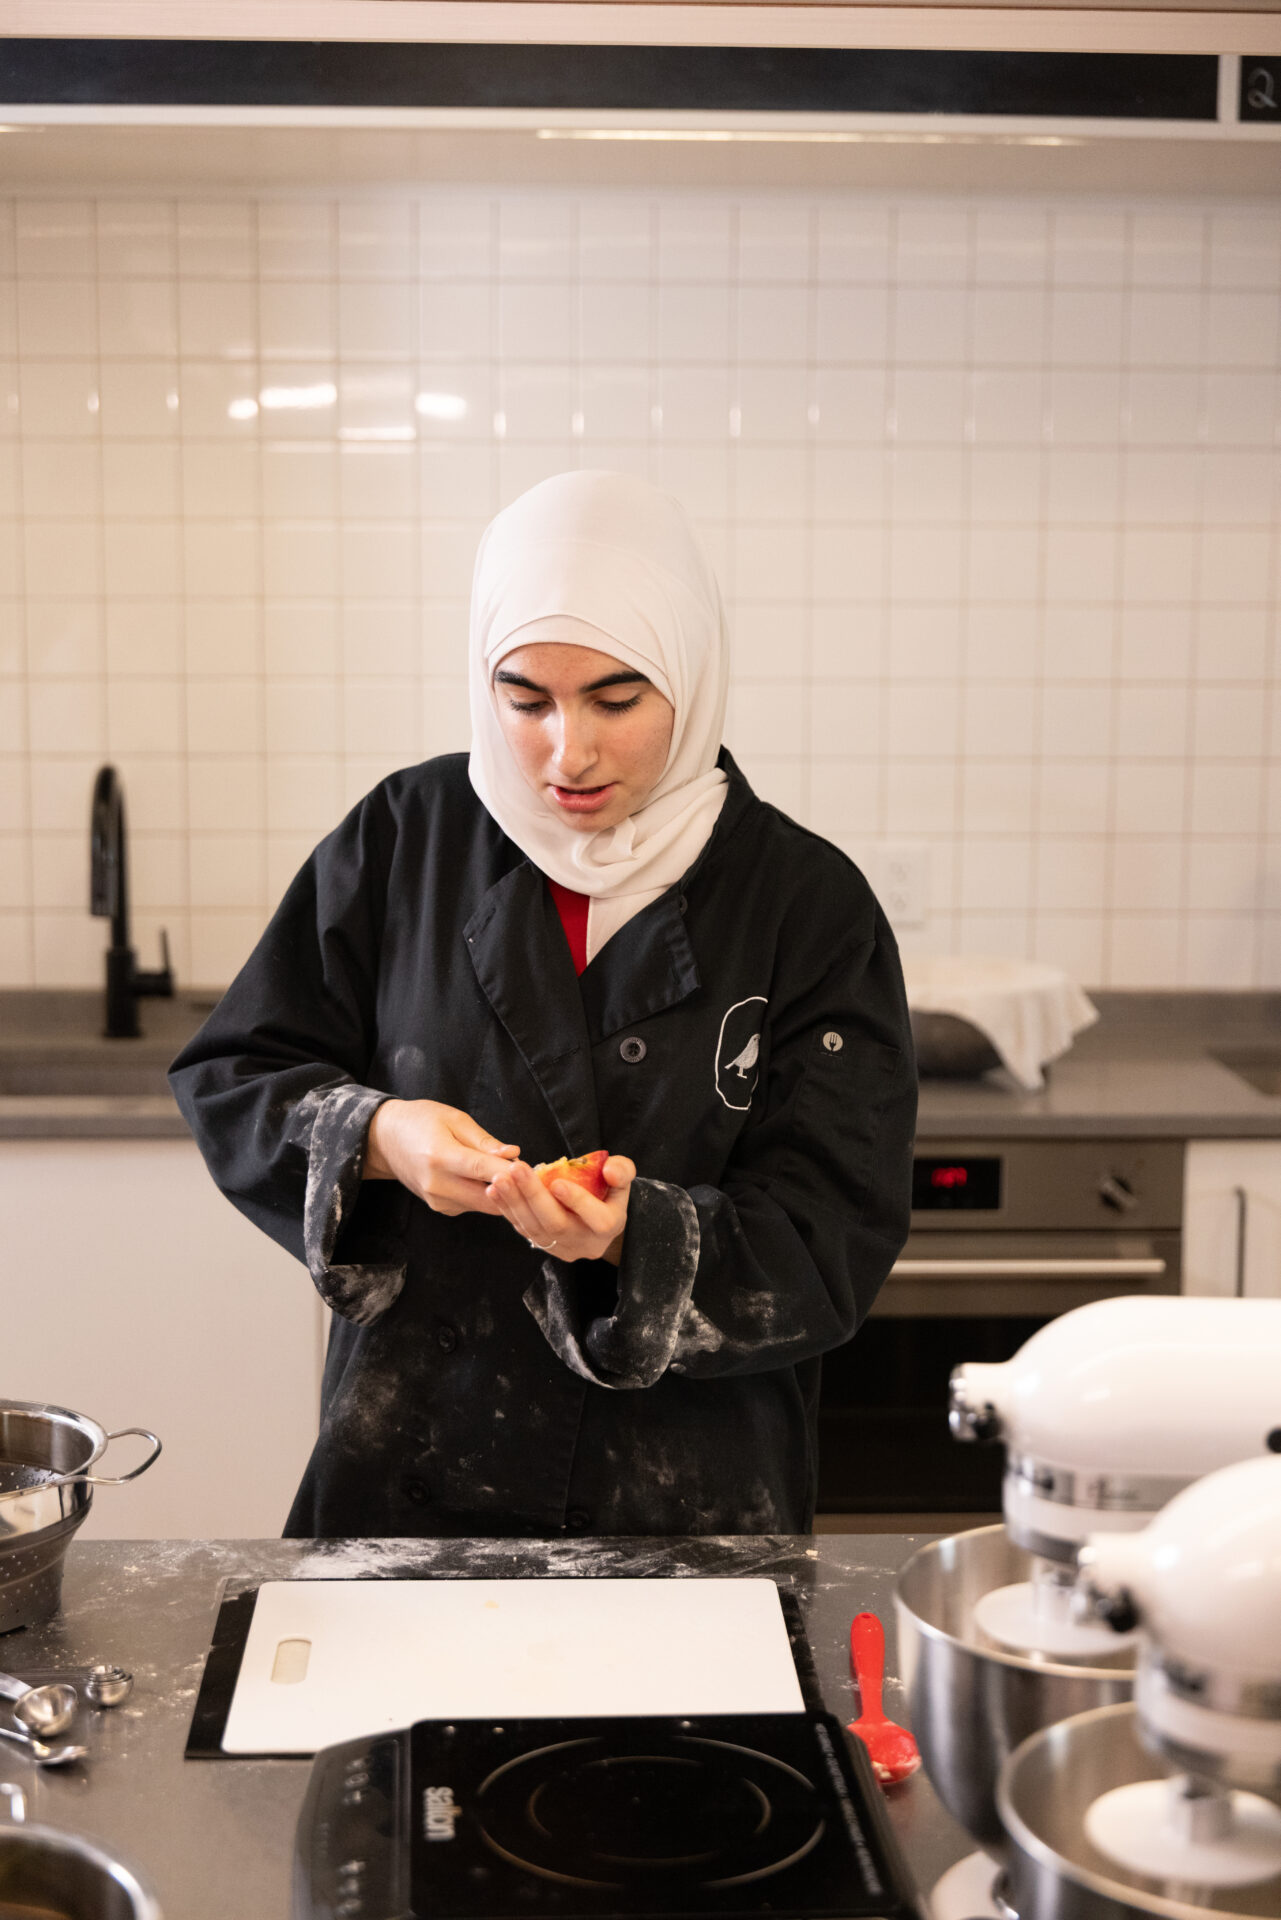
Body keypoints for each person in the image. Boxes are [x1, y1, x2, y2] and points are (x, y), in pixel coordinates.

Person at [169, 470, 916, 1538]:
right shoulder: (406, 838)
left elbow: (832, 1229)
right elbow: (234, 1076)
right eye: (525, 701)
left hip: (688, 1498)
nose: (570, 752)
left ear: (690, 676)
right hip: (413, 1466)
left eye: (616, 700)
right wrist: (378, 1135)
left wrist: (636, 1238)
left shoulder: (804, 902)